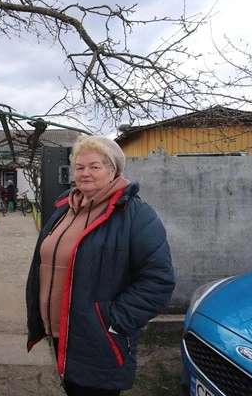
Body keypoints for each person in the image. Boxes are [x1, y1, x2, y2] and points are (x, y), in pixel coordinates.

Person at [26, 135, 175, 396]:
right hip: (62, 332)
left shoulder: (135, 214)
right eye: (79, 167)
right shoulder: (65, 209)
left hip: (100, 338)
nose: (85, 173)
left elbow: (158, 281)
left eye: (94, 166)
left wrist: (110, 321)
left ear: (112, 171)